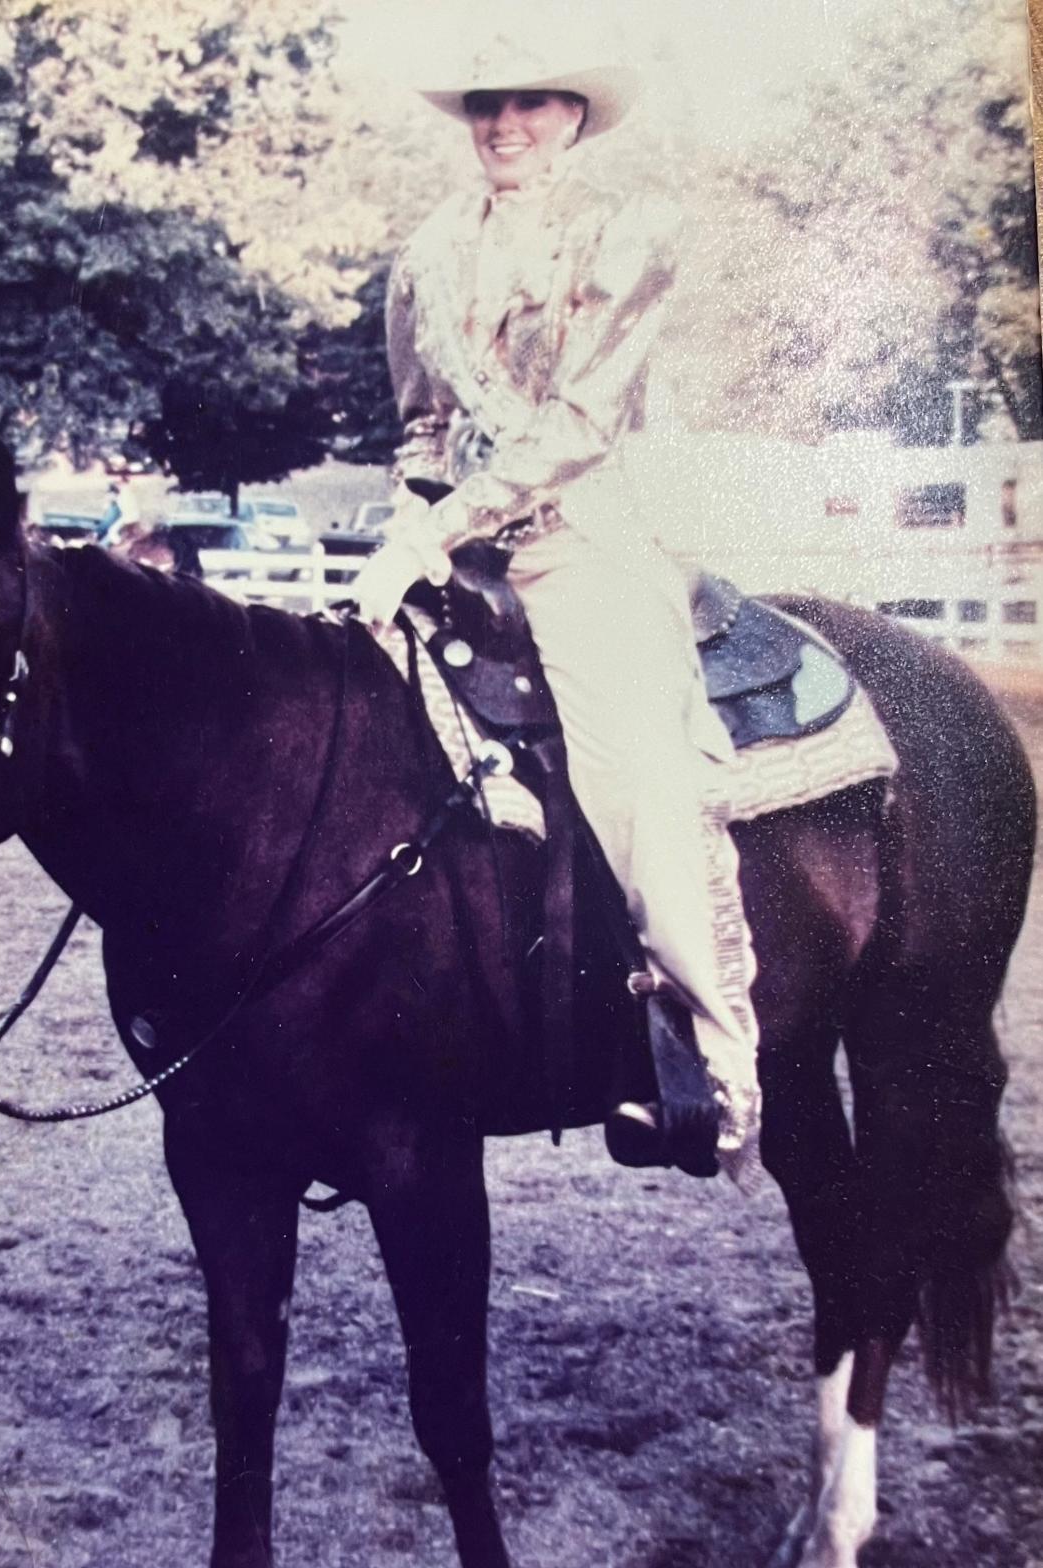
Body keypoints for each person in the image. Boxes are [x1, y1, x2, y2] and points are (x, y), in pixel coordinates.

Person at [350, 31, 760, 1173]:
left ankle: (713, 1070)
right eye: (488, 101)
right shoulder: (427, 252)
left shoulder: (627, 232)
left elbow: (581, 425)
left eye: (531, 101)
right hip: (447, 547)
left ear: (575, 115)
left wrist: (440, 526)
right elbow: (423, 421)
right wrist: (406, 521)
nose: (505, 122)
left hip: (582, 542)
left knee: (638, 778)